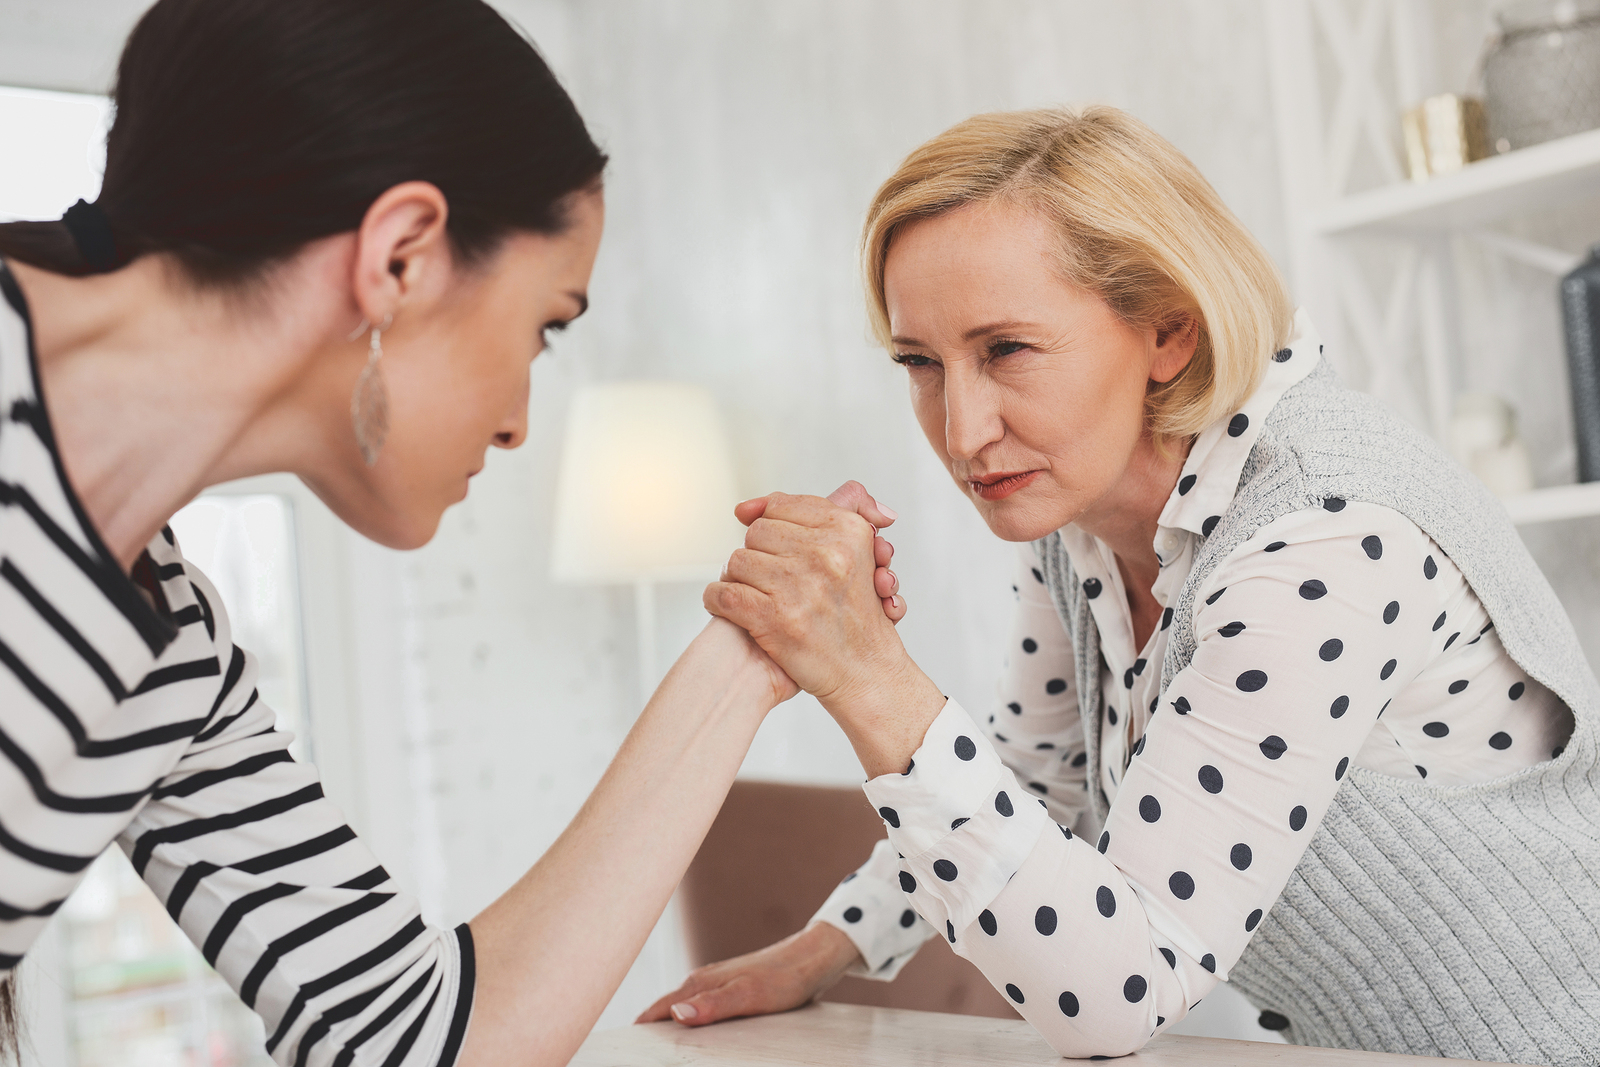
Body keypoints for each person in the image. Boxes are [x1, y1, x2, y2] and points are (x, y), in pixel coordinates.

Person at [0, 2, 907, 1066]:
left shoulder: (164, 641)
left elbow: (416, 1037)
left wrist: (753, 652)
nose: (522, 418)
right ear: (401, 258)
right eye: (546, 326)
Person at [644, 107, 1600, 1065]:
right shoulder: (1083, 518)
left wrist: (866, 675)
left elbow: (1120, 993)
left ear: (1169, 334)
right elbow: (1033, 779)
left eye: (1006, 350)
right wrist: (823, 950)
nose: (964, 430)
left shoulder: (1325, 535)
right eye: (922, 363)